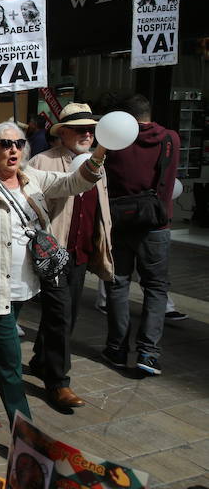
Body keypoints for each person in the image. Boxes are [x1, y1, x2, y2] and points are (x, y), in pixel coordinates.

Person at [0, 121, 106, 430]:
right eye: (5, 144)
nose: (14, 149)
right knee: (10, 365)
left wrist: (100, 153)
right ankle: (27, 436)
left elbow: (74, 183)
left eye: (19, 143)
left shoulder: (31, 178)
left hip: (23, 285)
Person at [27, 104, 113, 409]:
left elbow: (99, 206)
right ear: (62, 133)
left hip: (81, 252)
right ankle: (58, 382)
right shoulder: (42, 162)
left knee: (66, 314)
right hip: (54, 253)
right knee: (61, 316)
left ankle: (41, 360)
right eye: (80, 129)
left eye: (91, 129)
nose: (87, 134)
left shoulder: (97, 162)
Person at [102, 94, 180, 376]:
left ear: (123, 117)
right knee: (156, 288)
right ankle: (149, 352)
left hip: (120, 222)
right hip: (156, 226)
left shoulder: (114, 140)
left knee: (118, 285)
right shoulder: (170, 138)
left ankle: (117, 348)